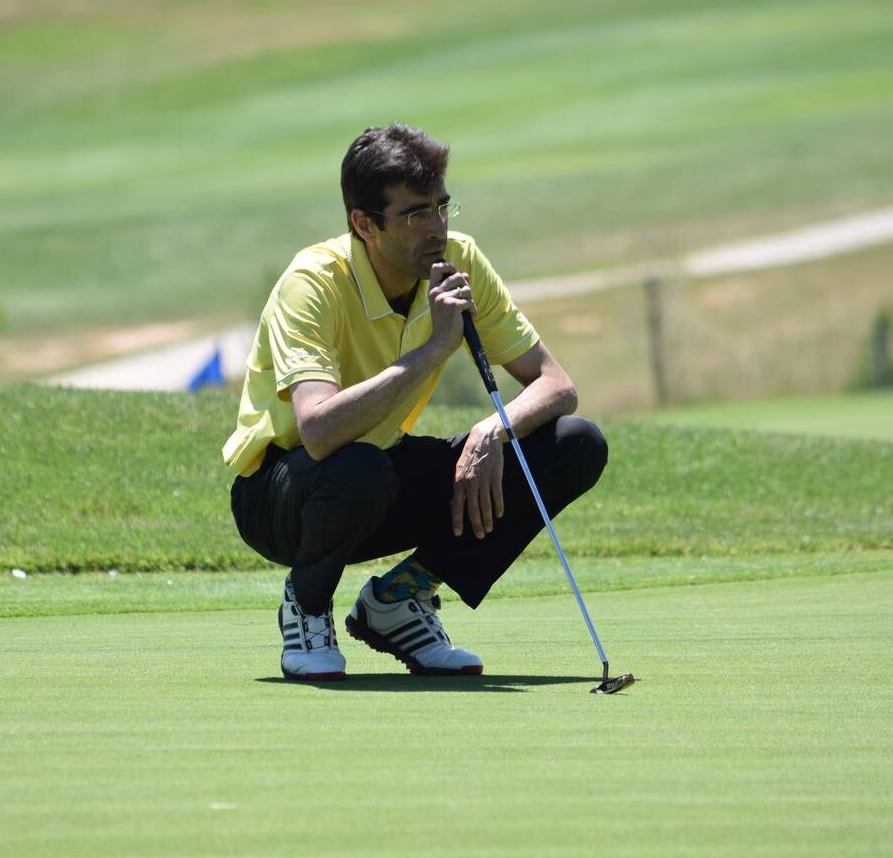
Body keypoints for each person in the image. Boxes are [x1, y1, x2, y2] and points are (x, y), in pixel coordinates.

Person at [223, 123, 608, 681]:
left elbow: (556, 386)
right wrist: (431, 352)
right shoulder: (313, 282)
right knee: (358, 467)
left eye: (442, 207)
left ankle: (399, 600)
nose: (437, 228)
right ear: (364, 224)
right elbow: (319, 430)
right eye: (414, 214)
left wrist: (491, 432)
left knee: (574, 444)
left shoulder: (460, 261)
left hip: (379, 476)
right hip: (284, 493)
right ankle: (306, 606)